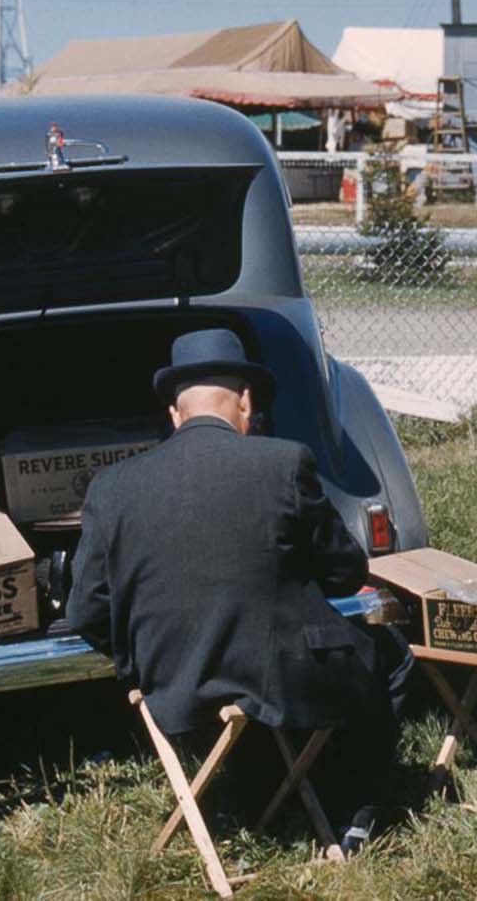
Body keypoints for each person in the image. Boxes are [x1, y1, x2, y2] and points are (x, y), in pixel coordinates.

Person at [67, 328, 411, 853]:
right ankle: (353, 809)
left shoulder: (112, 486)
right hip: (283, 681)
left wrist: (143, 659)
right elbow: (344, 572)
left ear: (175, 415)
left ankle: (252, 786)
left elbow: (86, 610)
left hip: (173, 687)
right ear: (246, 402)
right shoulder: (283, 463)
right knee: (392, 655)